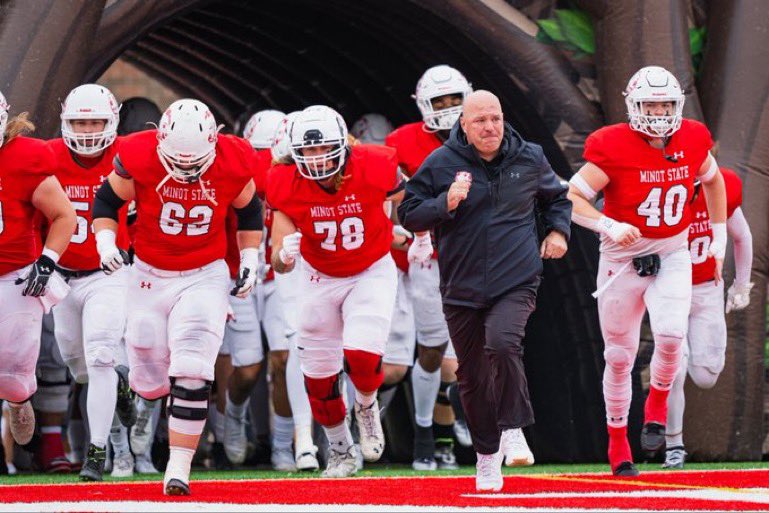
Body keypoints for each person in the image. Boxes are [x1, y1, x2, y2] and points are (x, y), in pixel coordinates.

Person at [398, 90, 571, 492]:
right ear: (463, 124)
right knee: (472, 376)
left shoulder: (529, 156)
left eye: (495, 118)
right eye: (480, 121)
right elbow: (408, 213)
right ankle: (486, 457)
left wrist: (558, 232)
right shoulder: (441, 163)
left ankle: (512, 427)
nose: (489, 127)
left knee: (503, 344)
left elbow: (557, 198)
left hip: (516, 277)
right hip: (462, 284)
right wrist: (445, 202)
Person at [92, 99, 263, 495]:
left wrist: (250, 258)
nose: (186, 169)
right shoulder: (139, 153)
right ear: (160, 142)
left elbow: (249, 212)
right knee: (148, 368)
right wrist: (104, 242)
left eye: (194, 161)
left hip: (205, 273)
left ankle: (178, 468)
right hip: (150, 272)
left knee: (192, 362)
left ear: (213, 143)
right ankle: (142, 392)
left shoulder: (233, 160)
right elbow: (106, 201)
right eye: (178, 160)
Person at [567, 65, 727, 477]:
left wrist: (719, 233)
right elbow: (574, 198)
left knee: (672, 334)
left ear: (678, 105)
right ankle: (619, 444)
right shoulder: (612, 145)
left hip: (673, 253)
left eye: (665, 103)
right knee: (619, 357)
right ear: (633, 106)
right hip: (622, 260)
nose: (658, 112)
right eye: (650, 103)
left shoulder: (692, 137)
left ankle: (656, 408)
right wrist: (609, 223)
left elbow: (713, 180)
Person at [268, 105, 403, 478]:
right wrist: (283, 255)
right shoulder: (283, 181)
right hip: (318, 276)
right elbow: (279, 261)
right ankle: (341, 449)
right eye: (307, 151)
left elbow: (409, 201)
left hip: (370, 270)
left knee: (362, 352)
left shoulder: (374, 164)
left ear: (343, 145)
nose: (316, 158)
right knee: (319, 376)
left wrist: (408, 231)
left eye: (322, 148)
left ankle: (366, 405)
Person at [47, 83, 138, 481]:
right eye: (79, 121)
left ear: (112, 120)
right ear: (66, 121)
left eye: (95, 121)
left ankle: (97, 452)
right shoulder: (46, 156)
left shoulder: (130, 156)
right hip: (63, 277)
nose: (86, 130)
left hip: (110, 272)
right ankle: (119, 387)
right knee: (78, 364)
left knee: (101, 354)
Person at [385, 65, 474, 470]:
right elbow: (391, 204)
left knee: (468, 354)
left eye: (456, 99)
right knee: (434, 352)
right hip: (427, 258)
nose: (450, 109)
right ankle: (427, 432)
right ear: (424, 105)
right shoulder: (402, 142)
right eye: (441, 102)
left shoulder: (488, 135)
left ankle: (445, 432)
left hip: (473, 255)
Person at [0, 91, 76, 449]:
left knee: (14, 376)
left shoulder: (26, 158)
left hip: (15, 275)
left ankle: (17, 400)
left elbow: (64, 215)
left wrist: (47, 261)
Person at [663, 166, 752, 468]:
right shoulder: (659, 187)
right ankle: (674, 444)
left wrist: (741, 285)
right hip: (668, 288)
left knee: (706, 376)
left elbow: (742, 236)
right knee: (674, 367)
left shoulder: (722, 185)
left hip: (707, 288)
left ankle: (684, 354)